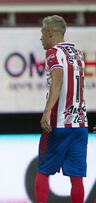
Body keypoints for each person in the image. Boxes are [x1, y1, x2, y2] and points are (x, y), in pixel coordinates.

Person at [35, 15, 88, 203]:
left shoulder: (52, 52)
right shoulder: (78, 52)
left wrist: (47, 111)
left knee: (43, 171)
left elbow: (57, 80)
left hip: (59, 124)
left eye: (42, 33)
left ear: (50, 33)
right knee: (77, 178)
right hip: (80, 125)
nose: (41, 37)